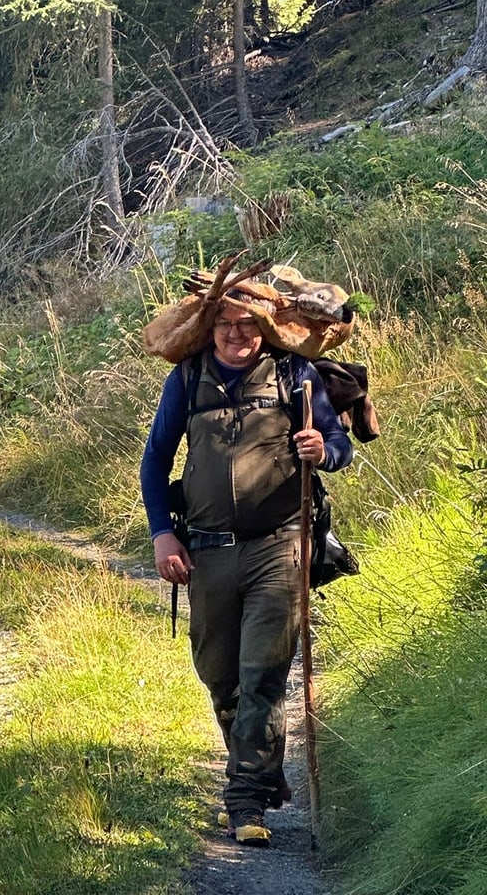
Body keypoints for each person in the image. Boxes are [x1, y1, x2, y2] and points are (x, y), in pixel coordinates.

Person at [140, 293, 353, 847]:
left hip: (279, 547)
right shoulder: (187, 380)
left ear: (265, 328)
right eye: (226, 325)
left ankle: (245, 802)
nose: (238, 335)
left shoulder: (294, 374)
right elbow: (156, 459)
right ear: (210, 331)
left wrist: (320, 449)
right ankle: (259, 771)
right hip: (206, 552)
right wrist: (163, 534)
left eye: (249, 325)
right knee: (221, 675)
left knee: (262, 674)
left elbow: (338, 444)